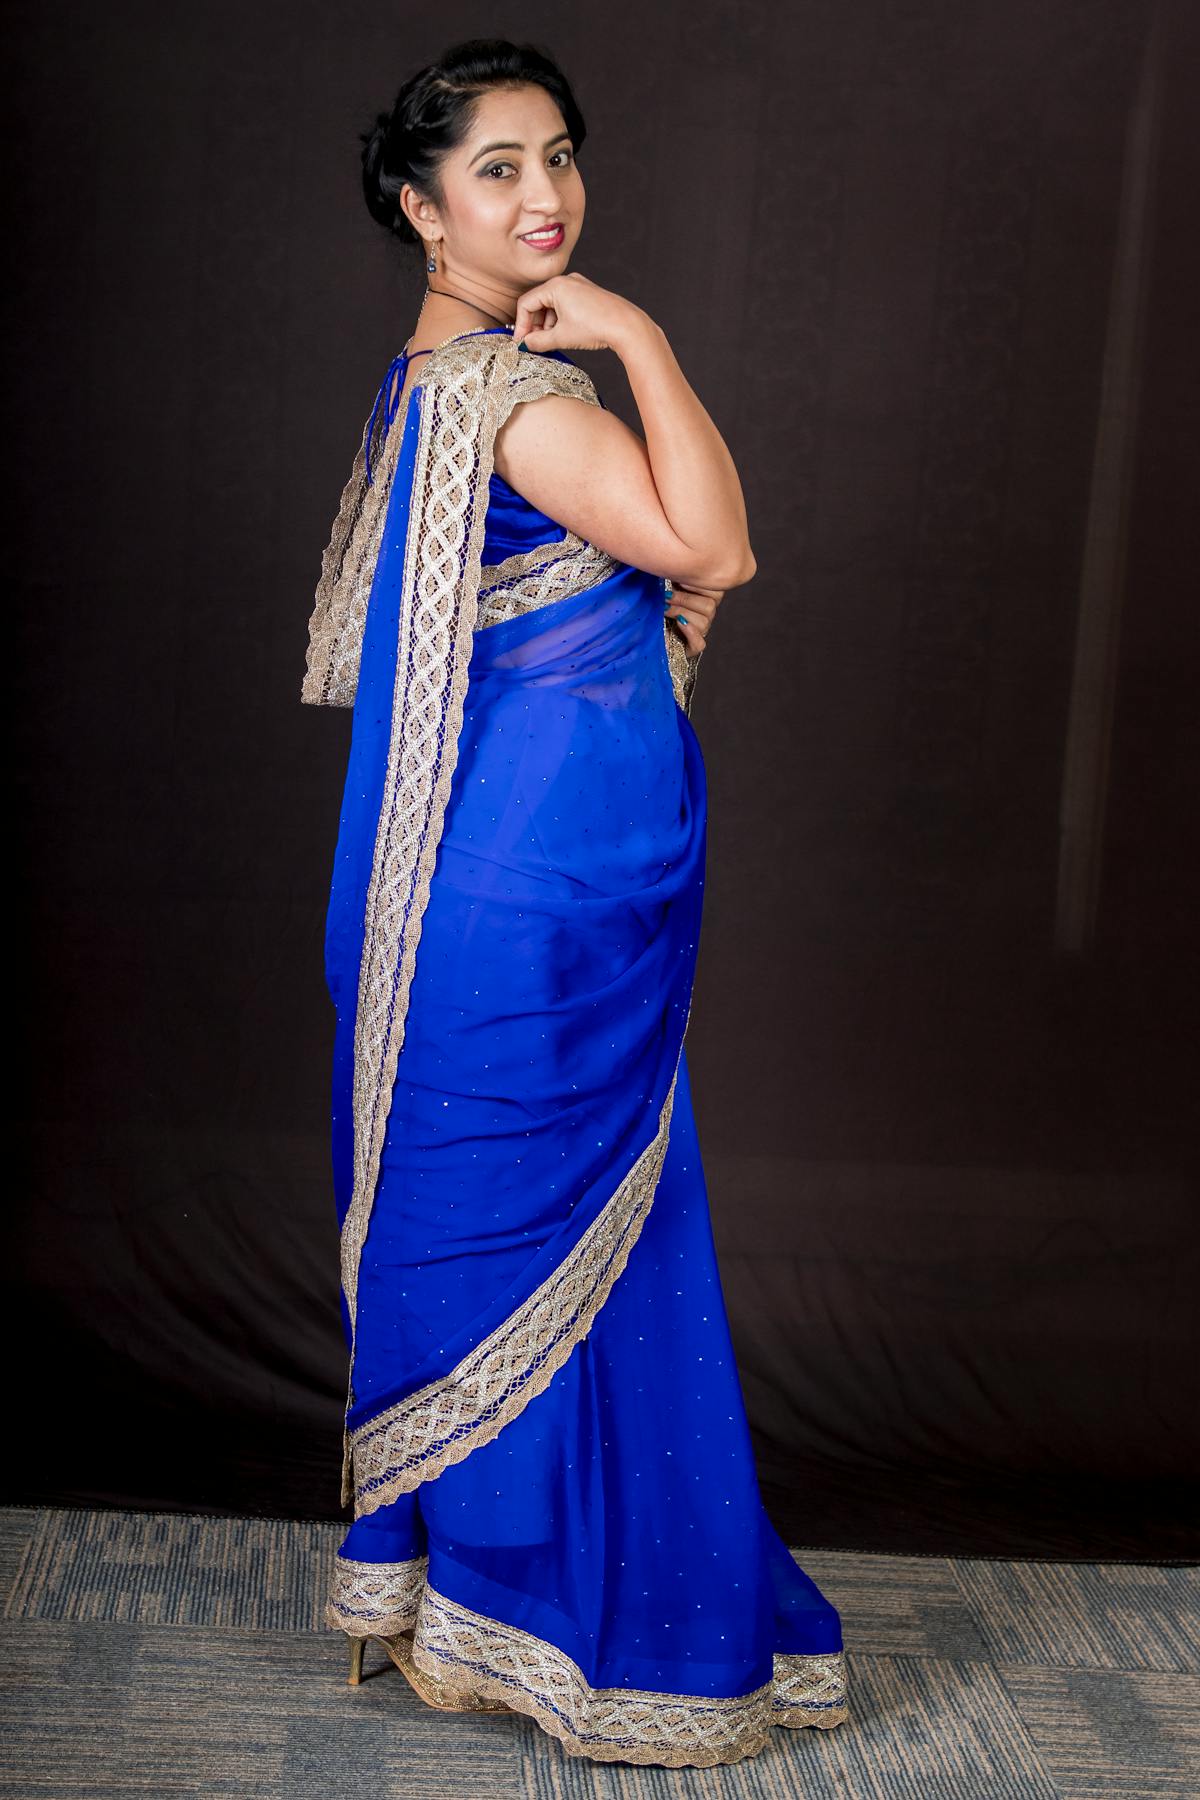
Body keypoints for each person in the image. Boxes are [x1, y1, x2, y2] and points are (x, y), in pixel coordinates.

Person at [301, 34, 849, 1770]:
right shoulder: (521, 401)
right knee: (553, 1252)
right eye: (496, 171)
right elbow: (717, 550)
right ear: (421, 205)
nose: (543, 198)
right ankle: (573, 1621)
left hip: (490, 895)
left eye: (559, 157)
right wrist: (645, 337)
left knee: (510, 1249)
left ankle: (475, 1600)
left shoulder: (422, 387)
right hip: (531, 915)